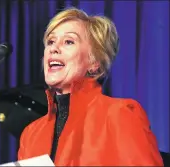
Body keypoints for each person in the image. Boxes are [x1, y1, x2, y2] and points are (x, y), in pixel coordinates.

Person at [17, 7, 163, 166]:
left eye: (68, 42)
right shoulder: (31, 134)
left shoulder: (119, 114)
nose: (53, 48)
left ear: (94, 63)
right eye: (50, 41)